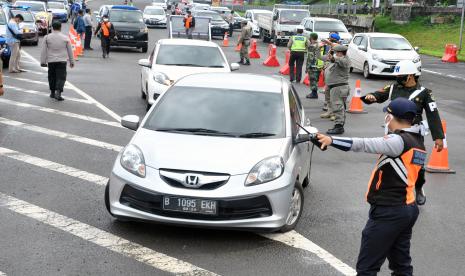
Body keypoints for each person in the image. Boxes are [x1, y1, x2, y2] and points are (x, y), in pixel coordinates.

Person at [316, 97, 426, 276]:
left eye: (387, 115)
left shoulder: (398, 142)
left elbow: (363, 144)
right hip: (407, 208)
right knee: (401, 265)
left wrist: (331, 140)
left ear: (392, 117)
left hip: (389, 211)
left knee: (367, 267)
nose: (386, 119)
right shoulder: (418, 142)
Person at [362, 60, 444, 205]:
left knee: (417, 163)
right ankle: (392, 189)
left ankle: (418, 188)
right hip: (393, 133)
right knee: (391, 161)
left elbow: (433, 114)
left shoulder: (424, 93)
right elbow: (379, 94)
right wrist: (371, 97)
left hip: (414, 135)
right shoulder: (393, 88)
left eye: (401, 75)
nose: (398, 77)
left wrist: (438, 137)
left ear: (411, 76)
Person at [40, 21, 75, 101]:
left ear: (52, 28)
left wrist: (43, 62)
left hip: (51, 61)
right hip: (62, 60)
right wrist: (72, 61)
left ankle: (52, 92)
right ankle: (58, 92)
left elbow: (43, 50)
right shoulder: (65, 38)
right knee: (61, 77)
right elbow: (70, 51)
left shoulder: (47, 37)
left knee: (52, 76)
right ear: (60, 28)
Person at [321, 44, 351, 134]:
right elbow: (326, 58)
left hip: (339, 87)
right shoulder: (338, 60)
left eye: (337, 52)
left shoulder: (346, 60)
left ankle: (339, 127)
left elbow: (339, 61)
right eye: (335, 52)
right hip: (335, 87)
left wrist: (333, 58)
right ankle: (338, 125)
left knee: (338, 107)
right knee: (337, 106)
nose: (336, 54)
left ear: (342, 53)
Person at [305, 33, 324, 99]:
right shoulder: (320, 44)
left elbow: (310, 57)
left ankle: (314, 93)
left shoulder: (312, 46)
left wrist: (307, 67)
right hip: (320, 65)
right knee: (316, 79)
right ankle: (314, 93)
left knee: (313, 80)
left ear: (311, 38)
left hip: (313, 65)